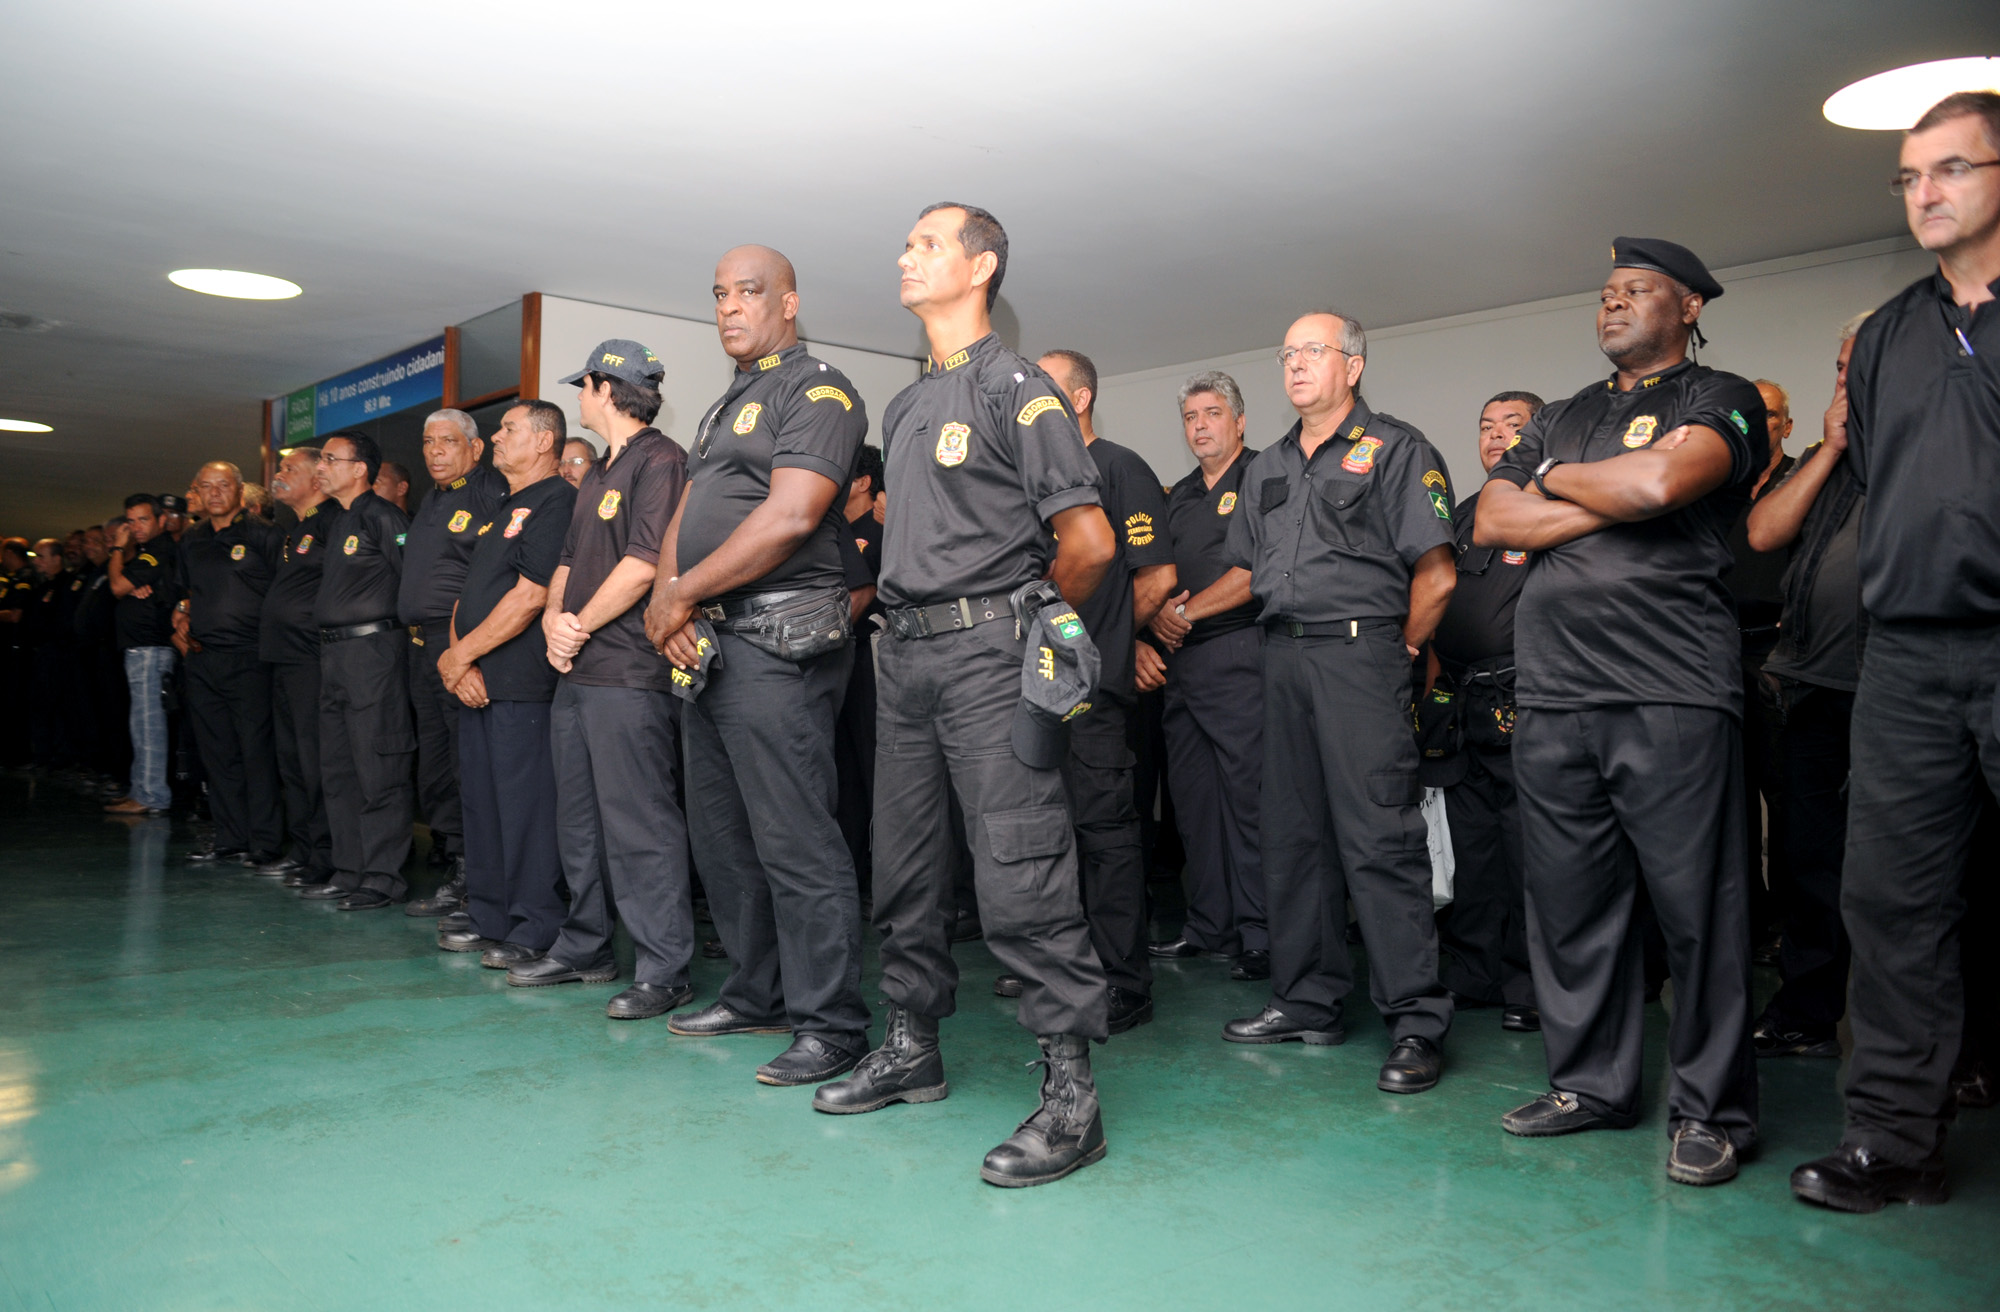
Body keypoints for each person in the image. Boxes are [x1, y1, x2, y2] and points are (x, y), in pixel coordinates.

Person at [812, 202, 1118, 1190]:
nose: (905, 255)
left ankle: (1071, 1100)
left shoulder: (1016, 388)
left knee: (1020, 870)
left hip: (991, 655)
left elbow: (1089, 544)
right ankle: (911, 1046)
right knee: (901, 868)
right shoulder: (903, 408)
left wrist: (1035, 629)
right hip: (901, 658)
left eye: (928, 243)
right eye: (903, 241)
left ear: (980, 267)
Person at [1477, 236, 1766, 1186]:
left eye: (1636, 291)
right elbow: (1492, 518)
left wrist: (1556, 482)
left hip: (1672, 689)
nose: (1613, 305)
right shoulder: (1559, 414)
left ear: (1687, 306)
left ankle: (1712, 1112)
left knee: (1699, 912)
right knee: (1569, 907)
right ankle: (1590, 1087)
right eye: (1605, 293)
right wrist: (1608, 493)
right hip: (1555, 693)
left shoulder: (1718, 396)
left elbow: (1663, 482)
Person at [1791, 91, 2000, 1213]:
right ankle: (1891, 1139)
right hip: (1907, 659)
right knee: (1890, 903)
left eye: (1950, 169)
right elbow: (1878, 478)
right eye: (1909, 176)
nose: (1924, 192)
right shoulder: (1884, 335)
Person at [642, 244, 873, 1078]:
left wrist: (680, 594)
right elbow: (689, 514)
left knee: (796, 840)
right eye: (718, 295)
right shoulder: (721, 407)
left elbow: (791, 515)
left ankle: (833, 1023)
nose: (730, 307)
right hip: (709, 645)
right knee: (725, 837)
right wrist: (668, 598)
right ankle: (756, 992)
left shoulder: (820, 390)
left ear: (788, 304)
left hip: (779, 646)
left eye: (749, 292)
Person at [1216, 311, 1458, 1098]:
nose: (1294, 366)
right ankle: (1306, 1000)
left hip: (1362, 656)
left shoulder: (1397, 447)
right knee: (1291, 837)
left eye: (1312, 352)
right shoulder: (1269, 465)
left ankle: (1417, 1023)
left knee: (1380, 841)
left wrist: (1404, 654)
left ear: (1352, 365)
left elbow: (1438, 574)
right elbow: (1249, 569)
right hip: (1280, 655)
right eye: (1285, 353)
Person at [514, 339, 699, 1023]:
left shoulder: (662, 461)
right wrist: (555, 623)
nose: (579, 398)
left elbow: (646, 563)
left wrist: (578, 625)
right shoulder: (597, 472)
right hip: (579, 671)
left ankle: (664, 968)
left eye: (583, 386)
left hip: (628, 673)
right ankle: (587, 945)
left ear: (604, 386)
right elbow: (567, 562)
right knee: (580, 821)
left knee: (639, 822)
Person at [991, 347, 1172, 1034]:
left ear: (1082, 398)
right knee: (1044, 832)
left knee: (1105, 835)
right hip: (1032, 688)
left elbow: (1153, 580)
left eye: (1044, 388)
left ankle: (1124, 981)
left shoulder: (1120, 468)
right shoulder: (1026, 475)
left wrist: (1111, 647)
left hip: (1092, 690)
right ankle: (1059, 965)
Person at [1741, 316, 1868, 1060]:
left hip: (1904, 684)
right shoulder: (1825, 463)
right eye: (1840, 367)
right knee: (1807, 855)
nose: (1846, 381)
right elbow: (1763, 534)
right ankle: (1808, 1011)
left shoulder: (1942, 441)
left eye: (1860, 366)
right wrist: (1834, 450)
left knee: (1929, 868)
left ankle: (1965, 1041)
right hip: (1815, 681)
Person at [434, 400, 577, 968]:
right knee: (483, 804)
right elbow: (468, 595)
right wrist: (458, 661)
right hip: (476, 679)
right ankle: (490, 914)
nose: (495, 437)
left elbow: (531, 594)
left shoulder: (558, 501)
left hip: (521, 683)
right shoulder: (501, 506)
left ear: (544, 441)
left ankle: (534, 925)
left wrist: (462, 656)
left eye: (508, 429)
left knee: (525, 809)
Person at [1145, 371, 1268, 980]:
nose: (1200, 425)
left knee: (1250, 802)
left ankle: (1260, 934)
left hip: (1241, 654)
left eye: (1212, 413)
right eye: (1191, 416)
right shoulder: (1182, 494)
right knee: (1193, 803)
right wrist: (1155, 626)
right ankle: (1209, 926)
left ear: (1240, 421)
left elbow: (1259, 571)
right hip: (1181, 663)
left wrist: (1186, 611)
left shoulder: (1267, 475)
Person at [1431, 391, 1544, 1032]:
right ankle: (1474, 973)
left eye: (1513, 425)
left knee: (1528, 846)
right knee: (1471, 844)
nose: (1496, 436)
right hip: (1461, 698)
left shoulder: (1550, 508)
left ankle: (1530, 984)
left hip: (1526, 696)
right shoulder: (1465, 513)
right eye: (1486, 427)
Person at [398, 409, 507, 916]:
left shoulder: (489, 491)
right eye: (427, 442)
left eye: (447, 441)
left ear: (475, 448)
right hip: (420, 647)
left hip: (459, 642)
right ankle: (456, 864)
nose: (435, 451)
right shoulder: (432, 498)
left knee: (469, 764)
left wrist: (470, 649)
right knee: (436, 766)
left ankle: (478, 876)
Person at [301, 432, 417, 910]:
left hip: (373, 654)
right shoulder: (340, 521)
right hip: (333, 658)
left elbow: (412, 583)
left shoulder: (383, 516)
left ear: (360, 469)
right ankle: (350, 869)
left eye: (331, 459)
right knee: (340, 766)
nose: (321, 467)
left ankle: (382, 877)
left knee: (379, 765)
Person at [173, 461, 285, 867]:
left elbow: (285, 592)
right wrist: (182, 608)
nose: (215, 493)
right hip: (202, 660)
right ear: (198, 493)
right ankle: (229, 837)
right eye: (207, 486)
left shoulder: (265, 535)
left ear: (240, 490)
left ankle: (265, 843)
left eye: (223, 485)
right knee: (217, 753)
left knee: (256, 751)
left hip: (250, 658)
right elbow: (187, 589)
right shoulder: (192, 539)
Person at [1724, 380, 1797, 961]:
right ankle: (1750, 925)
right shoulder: (1715, 487)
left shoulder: (1806, 481)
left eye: (1768, 415)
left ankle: (1795, 926)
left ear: (1786, 426)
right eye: (1746, 415)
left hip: (1781, 655)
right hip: (1715, 655)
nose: (1756, 423)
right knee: (1732, 803)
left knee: (1790, 796)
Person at [258, 445, 336, 888]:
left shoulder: (329, 523)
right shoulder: (295, 529)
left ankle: (324, 855)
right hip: (282, 658)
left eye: (290, 469)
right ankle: (302, 848)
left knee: (314, 761)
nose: (279, 475)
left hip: (311, 658)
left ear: (317, 478)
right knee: (290, 761)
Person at [104, 495, 180, 816]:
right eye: (130, 521)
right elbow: (126, 584)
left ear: (161, 520)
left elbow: (118, 586)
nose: (134, 528)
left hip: (150, 648)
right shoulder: (148, 553)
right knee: (140, 723)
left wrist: (118, 550)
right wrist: (130, 577)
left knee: (148, 724)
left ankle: (151, 795)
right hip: (140, 648)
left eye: (143, 520)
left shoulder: (160, 549)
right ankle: (141, 789)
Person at [833, 443, 885, 901]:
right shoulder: (834, 530)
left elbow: (868, 594)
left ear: (864, 482)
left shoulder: (879, 528)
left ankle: (881, 881)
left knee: (875, 773)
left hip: (872, 662)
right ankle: (850, 876)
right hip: (836, 669)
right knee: (842, 775)